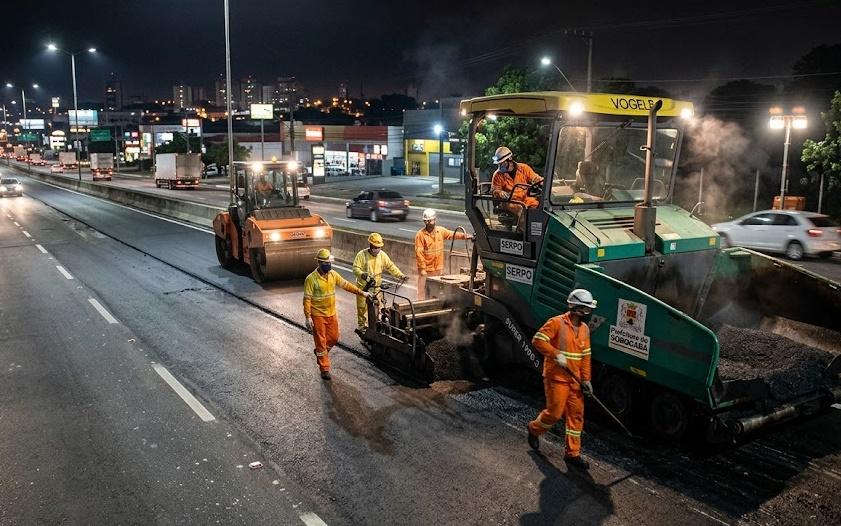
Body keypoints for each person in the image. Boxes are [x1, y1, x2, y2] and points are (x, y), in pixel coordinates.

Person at [527, 288, 596, 470]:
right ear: (575, 308)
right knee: (555, 414)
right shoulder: (556, 323)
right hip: (556, 378)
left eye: (589, 310)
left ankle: (573, 454)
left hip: (576, 381)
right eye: (585, 309)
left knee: (576, 417)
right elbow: (538, 340)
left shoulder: (585, 330)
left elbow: (586, 356)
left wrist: (587, 380)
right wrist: (556, 354)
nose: (587, 313)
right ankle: (534, 429)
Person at [303, 248, 371, 380]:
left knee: (334, 338)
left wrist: (362, 293)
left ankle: (320, 353)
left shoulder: (333, 275)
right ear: (319, 263)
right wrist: (307, 317)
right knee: (321, 341)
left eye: (329, 262)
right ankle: (324, 368)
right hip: (317, 316)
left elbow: (346, 285)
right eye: (326, 263)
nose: (328, 265)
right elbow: (307, 299)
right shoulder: (311, 279)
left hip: (331, 313)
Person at [414, 208, 472, 300]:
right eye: (426, 221)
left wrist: (465, 236)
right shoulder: (420, 235)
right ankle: (420, 306)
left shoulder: (440, 231)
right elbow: (419, 253)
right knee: (422, 291)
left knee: (436, 290)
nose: (428, 223)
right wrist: (422, 269)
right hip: (426, 270)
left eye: (430, 221)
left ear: (435, 220)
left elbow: (451, 234)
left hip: (438, 268)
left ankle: (433, 305)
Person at [352, 232, 406, 331]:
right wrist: (362, 274)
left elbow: (390, 266)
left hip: (377, 289)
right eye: (375, 247)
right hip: (363, 289)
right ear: (370, 245)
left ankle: (376, 327)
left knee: (378, 309)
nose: (377, 249)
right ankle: (362, 328)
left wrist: (401, 275)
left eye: (379, 247)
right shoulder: (362, 255)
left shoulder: (382, 255)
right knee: (362, 309)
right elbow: (355, 268)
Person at [490, 146, 544, 213]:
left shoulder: (524, 168)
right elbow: (494, 190)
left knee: (536, 204)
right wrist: (500, 193)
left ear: (510, 159)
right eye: (499, 164)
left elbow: (535, 178)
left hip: (524, 199)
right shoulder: (498, 175)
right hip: (509, 202)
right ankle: (521, 223)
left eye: (503, 163)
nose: (500, 167)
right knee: (520, 209)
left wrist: (544, 183)